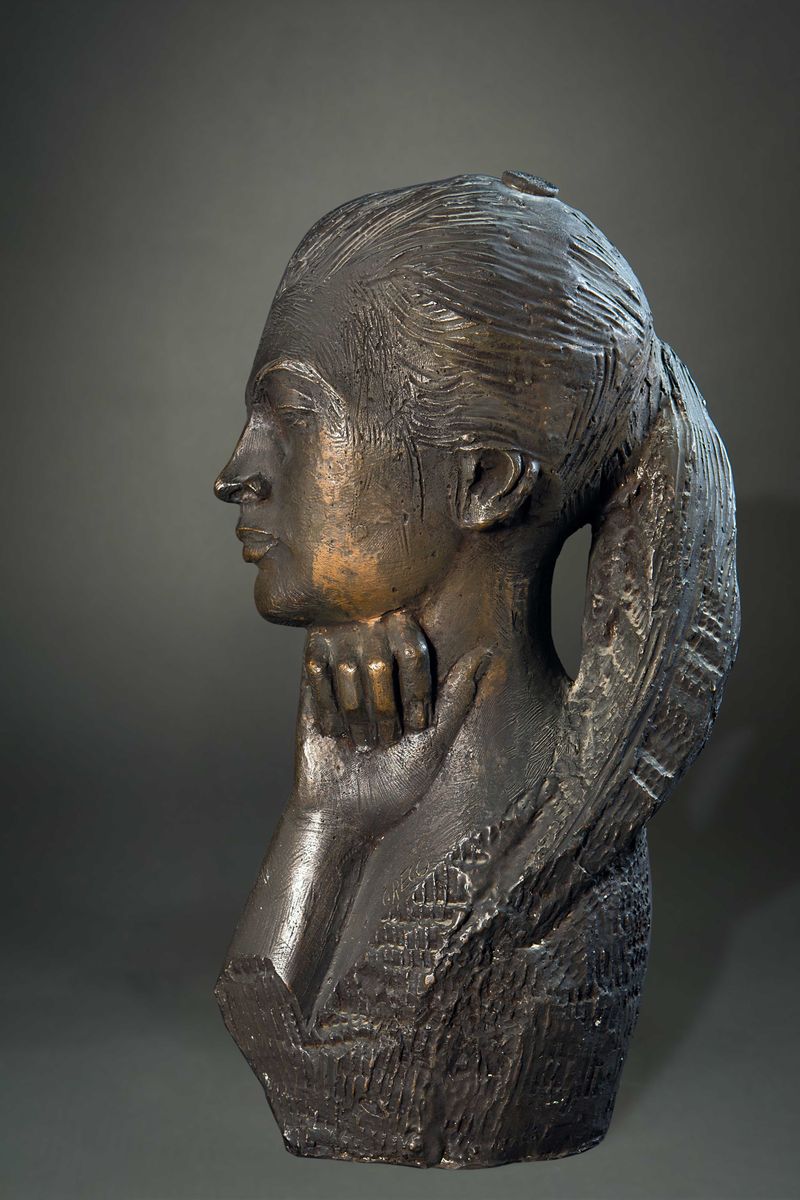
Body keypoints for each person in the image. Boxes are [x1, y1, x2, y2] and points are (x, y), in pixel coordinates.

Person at [213, 173, 739, 1166]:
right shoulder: (389, 783)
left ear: (484, 482)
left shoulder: (560, 871)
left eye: (292, 417)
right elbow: (272, 1023)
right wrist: (325, 822)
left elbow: (334, 1066)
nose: (235, 470)